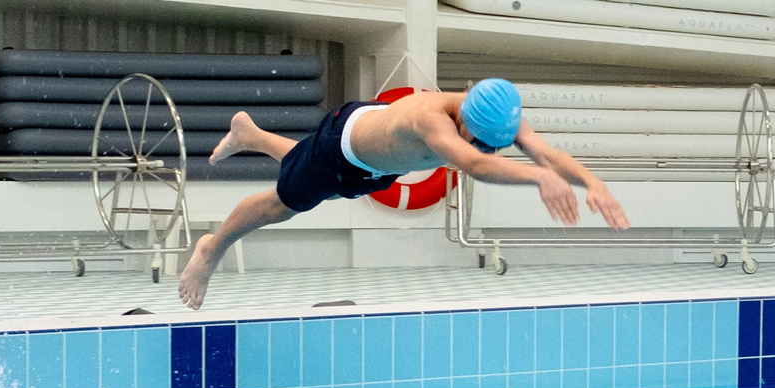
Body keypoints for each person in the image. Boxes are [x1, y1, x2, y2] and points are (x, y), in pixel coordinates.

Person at [177, 79, 628, 309]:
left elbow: (546, 152)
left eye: (494, 143)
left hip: (376, 164)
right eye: (478, 138)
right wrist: (536, 179)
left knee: (320, 190)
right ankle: (211, 248)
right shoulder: (430, 118)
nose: (484, 148)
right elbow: (471, 165)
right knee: (284, 204)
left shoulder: (500, 116)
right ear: (465, 115)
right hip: (343, 145)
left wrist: (592, 181)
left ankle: (250, 134)